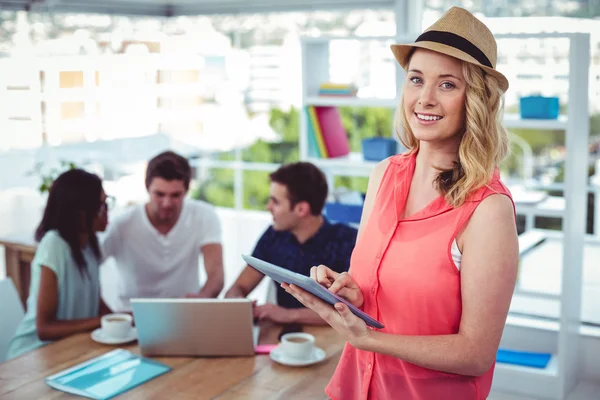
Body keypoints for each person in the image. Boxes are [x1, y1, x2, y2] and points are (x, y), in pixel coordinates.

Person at [283, 7, 518, 400]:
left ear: (476, 100)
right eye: (416, 80)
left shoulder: (487, 209)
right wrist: (351, 293)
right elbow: (384, 288)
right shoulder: (385, 174)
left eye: (447, 85)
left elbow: (476, 354)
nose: (424, 99)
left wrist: (370, 340)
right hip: (354, 388)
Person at [225, 162, 358, 325]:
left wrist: (287, 315)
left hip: (333, 336)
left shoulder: (347, 241)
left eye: (276, 202)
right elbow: (239, 286)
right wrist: (237, 302)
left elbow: (352, 309)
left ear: (301, 209)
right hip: (283, 339)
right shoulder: (273, 236)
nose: (268, 207)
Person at [7, 169, 112, 360]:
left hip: (69, 352)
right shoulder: (54, 244)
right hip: (32, 356)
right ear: (80, 212)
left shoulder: (89, 245)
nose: (106, 211)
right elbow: (44, 328)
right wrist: (102, 321)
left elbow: (94, 300)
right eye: (100, 205)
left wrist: (123, 319)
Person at [101, 150, 224, 311]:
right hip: (133, 316)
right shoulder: (122, 224)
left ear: (187, 190)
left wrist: (203, 298)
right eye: (159, 194)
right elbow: (85, 268)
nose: (167, 203)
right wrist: (106, 316)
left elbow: (216, 273)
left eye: (175, 195)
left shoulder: (204, 216)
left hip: (185, 314)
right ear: (147, 188)